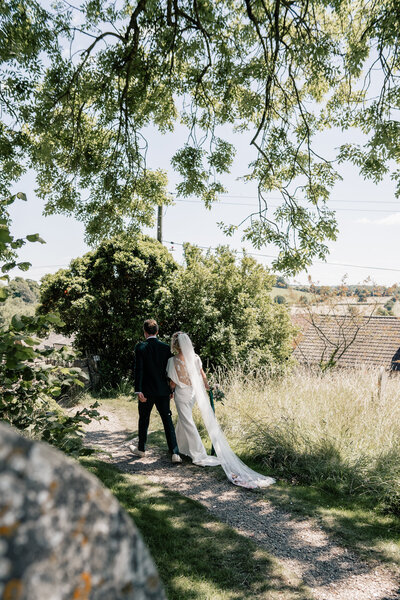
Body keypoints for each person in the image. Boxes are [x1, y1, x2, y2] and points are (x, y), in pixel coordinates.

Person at [167, 332, 275, 489]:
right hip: (192, 394)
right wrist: (207, 387)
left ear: (175, 345)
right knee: (185, 420)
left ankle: (198, 454)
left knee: (187, 421)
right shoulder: (195, 358)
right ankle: (182, 447)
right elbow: (202, 375)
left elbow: (172, 382)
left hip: (182, 394)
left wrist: (169, 392)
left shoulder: (172, 361)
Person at [130, 319, 182, 464]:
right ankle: (175, 453)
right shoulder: (165, 348)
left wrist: (138, 390)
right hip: (163, 391)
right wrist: (171, 389)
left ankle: (141, 449)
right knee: (167, 421)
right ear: (157, 332)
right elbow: (168, 371)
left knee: (144, 419)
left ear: (145, 332)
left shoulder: (140, 347)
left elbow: (138, 369)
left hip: (146, 392)